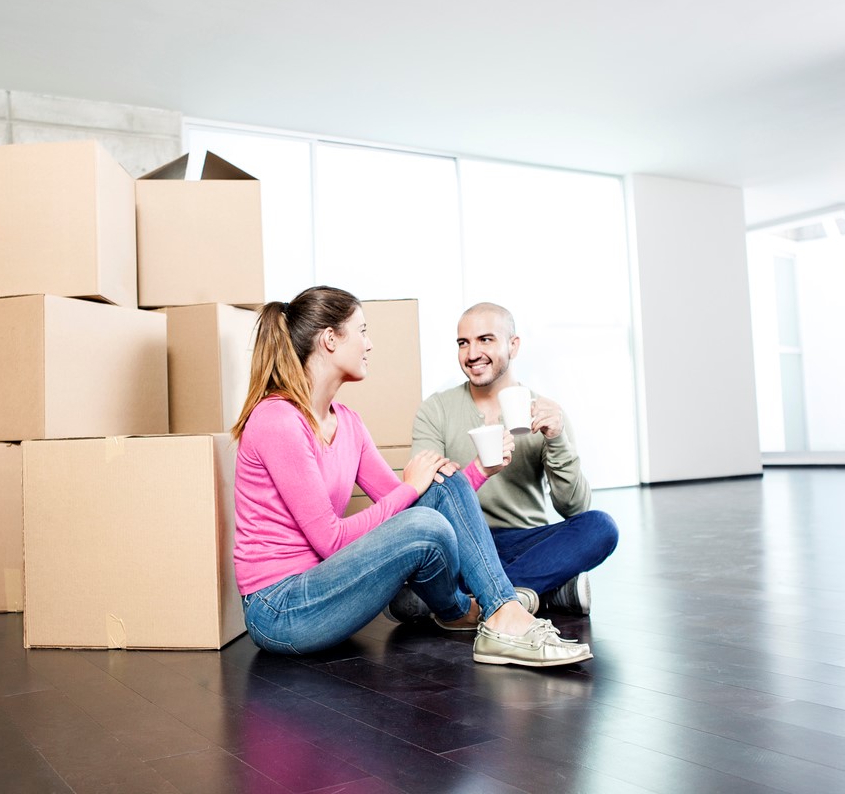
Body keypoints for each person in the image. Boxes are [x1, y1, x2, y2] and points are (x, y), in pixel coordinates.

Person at [231, 286, 592, 667]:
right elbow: (332, 541)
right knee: (422, 522)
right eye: (362, 331)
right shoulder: (278, 420)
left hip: (326, 586)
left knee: (443, 483)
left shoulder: (348, 423)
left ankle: (499, 613)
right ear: (330, 340)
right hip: (280, 609)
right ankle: (477, 612)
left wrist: (473, 472)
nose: (369, 344)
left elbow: (429, 498)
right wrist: (409, 487)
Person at [407, 302, 618, 617]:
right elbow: (424, 504)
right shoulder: (436, 409)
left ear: (513, 345)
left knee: (601, 526)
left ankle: (475, 601)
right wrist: (479, 470)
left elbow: (574, 508)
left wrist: (556, 438)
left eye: (486, 340)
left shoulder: (546, 413)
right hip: (463, 541)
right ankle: (544, 593)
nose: (472, 353)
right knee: (421, 554)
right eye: (463, 343)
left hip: (525, 541)